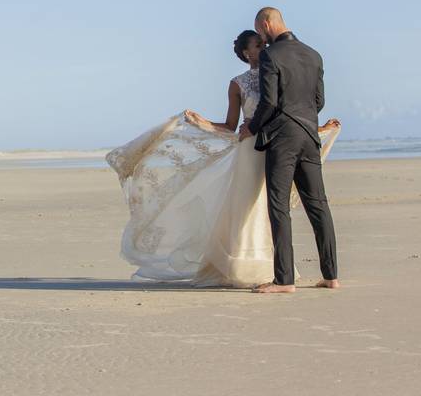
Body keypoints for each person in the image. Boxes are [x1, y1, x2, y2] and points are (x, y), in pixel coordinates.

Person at [106, 23, 341, 289]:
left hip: (278, 144)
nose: (263, 46)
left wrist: (320, 128)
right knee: (248, 209)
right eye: (256, 44)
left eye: (262, 42)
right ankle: (243, 266)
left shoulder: (275, 71)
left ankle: (276, 269)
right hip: (251, 149)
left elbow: (291, 110)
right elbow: (231, 125)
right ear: (246, 53)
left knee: (271, 209)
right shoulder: (238, 84)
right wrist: (203, 123)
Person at [238, 6, 340, 293]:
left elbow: (269, 102)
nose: (261, 37)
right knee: (318, 204)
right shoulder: (314, 54)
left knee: (279, 206)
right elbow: (319, 101)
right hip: (309, 133)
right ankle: (331, 275)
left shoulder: (272, 55)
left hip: (282, 137)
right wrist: (304, 116)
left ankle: (284, 280)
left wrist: (253, 128)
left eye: (260, 31)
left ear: (266, 23)